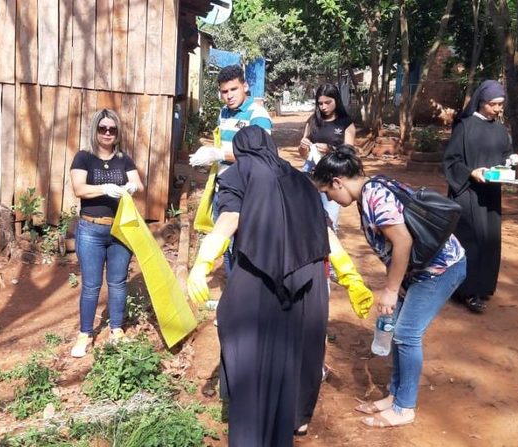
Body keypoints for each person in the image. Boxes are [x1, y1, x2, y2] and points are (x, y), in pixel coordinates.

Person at [187, 127, 372, 445]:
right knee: (303, 346)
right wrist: (351, 277)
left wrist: (203, 262)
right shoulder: (301, 178)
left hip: (260, 270)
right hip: (309, 274)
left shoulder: (240, 171)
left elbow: (230, 219)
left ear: (242, 151)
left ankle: (250, 422)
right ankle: (297, 418)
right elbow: (324, 233)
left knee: (240, 331)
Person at [312, 145, 466, 428]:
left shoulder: (375, 198)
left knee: (407, 334)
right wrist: (401, 283)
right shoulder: (369, 191)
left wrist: (392, 289)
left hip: (440, 269)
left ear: (338, 181)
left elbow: (403, 242)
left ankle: (404, 407)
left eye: (327, 192)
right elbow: (390, 246)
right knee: (397, 331)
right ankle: (396, 394)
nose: (329, 198)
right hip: (419, 271)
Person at [443, 80, 518, 314]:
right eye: (494, 105)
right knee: (472, 240)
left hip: (490, 194)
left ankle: (483, 286)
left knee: (489, 240)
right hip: (467, 194)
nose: (498, 109)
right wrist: (471, 172)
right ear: (481, 102)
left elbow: (504, 154)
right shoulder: (465, 126)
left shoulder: (500, 129)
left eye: (500, 105)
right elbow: (451, 161)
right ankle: (466, 291)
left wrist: (512, 159)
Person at [69, 109, 144, 358]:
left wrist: (131, 187)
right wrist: (105, 188)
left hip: (119, 230)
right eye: (103, 129)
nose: (108, 133)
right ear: (95, 130)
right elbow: (79, 189)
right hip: (91, 229)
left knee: (118, 282)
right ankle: (85, 333)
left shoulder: (124, 159)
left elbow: (139, 184)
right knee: (91, 285)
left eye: (112, 129)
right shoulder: (84, 158)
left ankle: (116, 330)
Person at [189, 64, 272, 273]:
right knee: (223, 243)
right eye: (224, 92)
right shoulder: (223, 113)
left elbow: (261, 155)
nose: (229, 96)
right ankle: (231, 293)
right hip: (222, 186)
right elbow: (222, 144)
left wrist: (220, 155)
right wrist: (210, 154)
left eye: (233, 89)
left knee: (243, 246)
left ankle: (244, 295)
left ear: (245, 86)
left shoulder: (257, 115)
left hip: (245, 191)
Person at [299, 83, 356, 230]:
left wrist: (330, 150)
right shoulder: (312, 121)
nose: (323, 107)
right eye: (320, 103)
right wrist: (303, 147)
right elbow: (303, 155)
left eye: (327, 102)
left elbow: (349, 155)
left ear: (336, 100)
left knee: (329, 222)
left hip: (332, 176)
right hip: (310, 173)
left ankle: (330, 248)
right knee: (305, 217)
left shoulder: (346, 123)